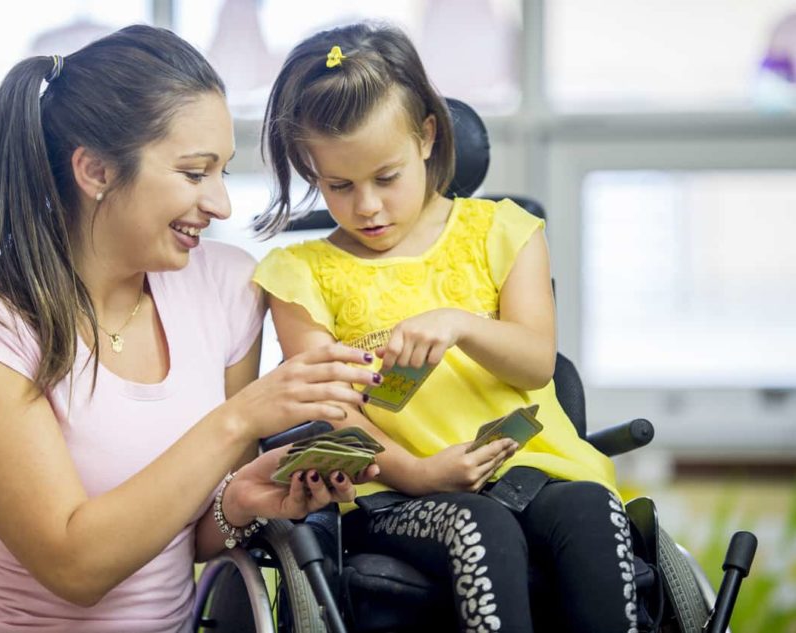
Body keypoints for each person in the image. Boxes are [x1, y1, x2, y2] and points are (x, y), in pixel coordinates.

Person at [0, 25, 382, 633]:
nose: (221, 205)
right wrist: (240, 418)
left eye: (223, 172)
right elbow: (75, 566)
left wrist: (240, 500)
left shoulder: (225, 288)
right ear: (97, 170)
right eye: (194, 173)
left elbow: (187, 536)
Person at [253, 22, 638, 633]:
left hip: (536, 469)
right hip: (393, 492)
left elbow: (536, 363)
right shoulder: (298, 273)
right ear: (309, 167)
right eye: (339, 186)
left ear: (428, 136)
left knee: (594, 509)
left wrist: (462, 324)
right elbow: (331, 411)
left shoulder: (505, 231)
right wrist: (419, 472)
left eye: (386, 177)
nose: (367, 207)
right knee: (478, 525)